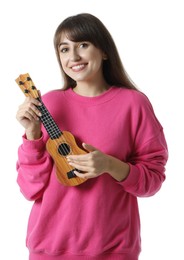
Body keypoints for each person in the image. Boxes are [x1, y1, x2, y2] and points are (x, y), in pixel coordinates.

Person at [16, 13, 168, 260]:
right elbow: (29, 189)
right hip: (49, 248)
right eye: (64, 49)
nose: (73, 57)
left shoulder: (134, 104)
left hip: (114, 250)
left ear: (104, 51)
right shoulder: (49, 105)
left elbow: (153, 180)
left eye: (83, 45)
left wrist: (110, 165)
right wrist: (32, 135)